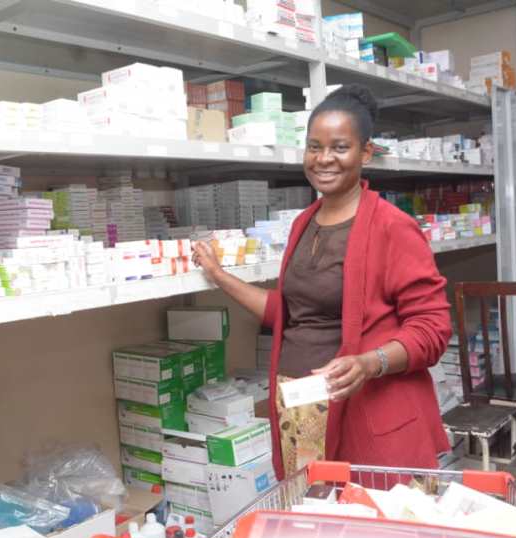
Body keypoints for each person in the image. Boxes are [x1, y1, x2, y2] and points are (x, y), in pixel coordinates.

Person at [192, 84, 452, 480]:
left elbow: (433, 329)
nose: (324, 159)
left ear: (366, 152)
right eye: (314, 147)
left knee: (371, 525)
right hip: (301, 406)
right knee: (316, 519)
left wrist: (371, 362)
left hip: (367, 409)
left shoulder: (392, 227)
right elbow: (292, 312)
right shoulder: (303, 222)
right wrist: (218, 276)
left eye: (339, 147)